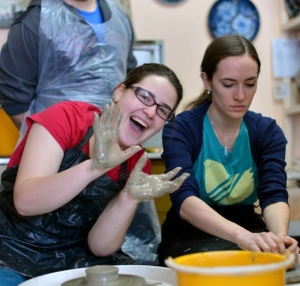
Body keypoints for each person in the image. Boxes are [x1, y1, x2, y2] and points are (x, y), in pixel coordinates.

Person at [0, 63, 189, 285]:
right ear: (119, 92)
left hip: (76, 258)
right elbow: (26, 202)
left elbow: (100, 246)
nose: (150, 112)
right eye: (145, 97)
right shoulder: (68, 119)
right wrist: (95, 167)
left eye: (163, 111)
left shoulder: (137, 164)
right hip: (12, 249)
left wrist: (129, 198)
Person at [157, 35, 299, 267]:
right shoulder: (181, 128)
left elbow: (273, 194)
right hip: (190, 235)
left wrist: (280, 241)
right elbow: (185, 200)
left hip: (249, 228)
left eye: (250, 84)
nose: (241, 96)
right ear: (207, 80)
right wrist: (242, 237)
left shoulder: (267, 132)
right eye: (229, 84)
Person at [0, 0, 137, 136]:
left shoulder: (119, 17)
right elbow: (14, 100)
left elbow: (130, 77)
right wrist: (53, 144)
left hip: (113, 146)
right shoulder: (33, 23)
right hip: (56, 152)